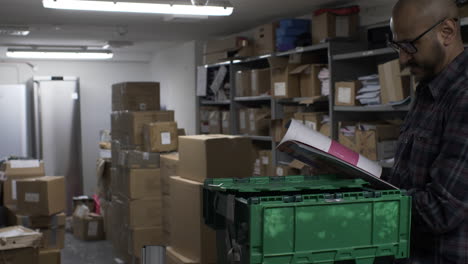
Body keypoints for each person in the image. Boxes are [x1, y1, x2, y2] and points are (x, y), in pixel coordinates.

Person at [385, 0, 468, 263]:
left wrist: (367, 201)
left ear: (446, 32)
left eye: (410, 46)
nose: (402, 58)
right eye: (398, 46)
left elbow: (442, 208)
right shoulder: (428, 90)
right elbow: (409, 181)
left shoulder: (464, 98)